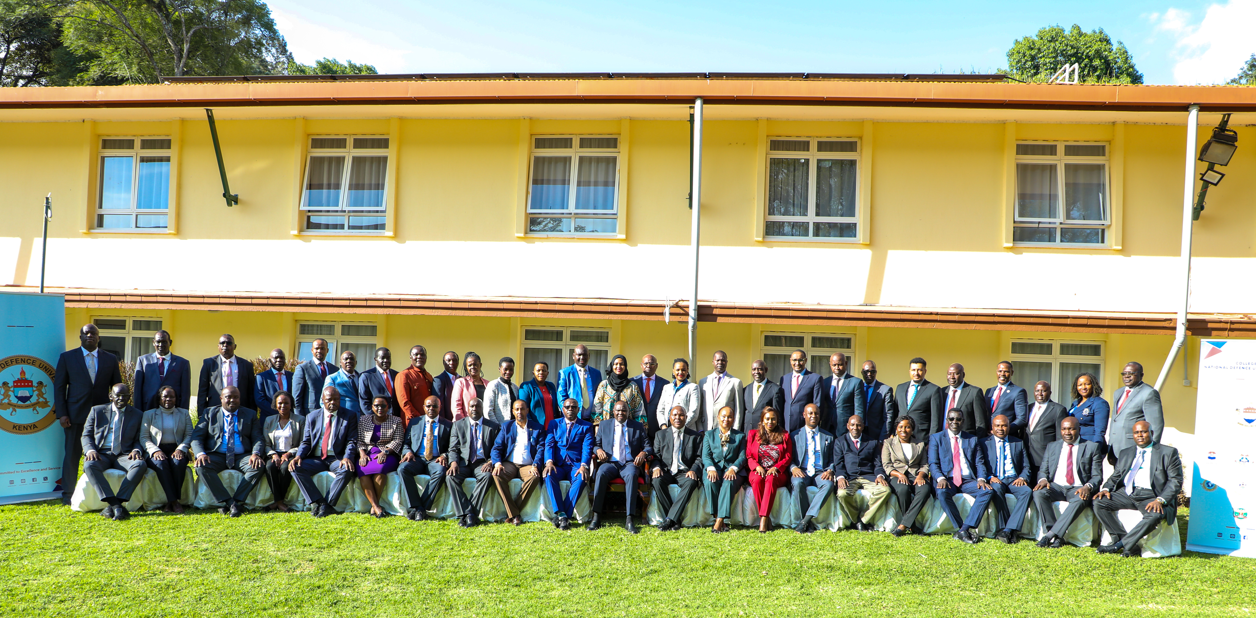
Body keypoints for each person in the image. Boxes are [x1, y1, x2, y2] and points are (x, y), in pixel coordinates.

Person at [54, 324, 122, 504]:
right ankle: (68, 494)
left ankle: (94, 494)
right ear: (80, 337)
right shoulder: (67, 357)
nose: (90, 335)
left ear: (99, 338)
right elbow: (60, 387)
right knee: (72, 455)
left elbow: (116, 388)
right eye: (86, 333)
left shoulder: (110, 359)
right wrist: (62, 413)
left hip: (103, 417)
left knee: (97, 455)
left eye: (94, 333)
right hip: (74, 415)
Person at [1095, 420, 1183, 558]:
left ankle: (1119, 545)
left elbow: (1175, 481)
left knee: (1154, 515)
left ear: (1152, 433)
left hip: (1152, 496)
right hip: (1128, 493)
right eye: (1136, 432)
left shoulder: (1168, 452)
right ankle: (1130, 544)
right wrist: (1106, 488)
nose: (1140, 435)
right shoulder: (1126, 452)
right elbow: (1116, 475)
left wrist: (1160, 500)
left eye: (1143, 432)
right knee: (1099, 502)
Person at [190, 385, 265, 517]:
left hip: (242, 456)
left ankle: (235, 502)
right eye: (228, 397)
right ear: (221, 398)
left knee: (257, 466)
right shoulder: (209, 413)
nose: (232, 400)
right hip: (216, 455)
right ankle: (230, 502)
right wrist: (201, 453)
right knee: (202, 466)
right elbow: (196, 437)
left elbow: (258, 437)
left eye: (236, 397)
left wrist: (256, 453)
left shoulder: (250, 414)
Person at [1033, 416, 1104, 549]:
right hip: (1056, 487)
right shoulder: (1052, 446)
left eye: (1071, 429)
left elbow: (1097, 476)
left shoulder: (1091, 447)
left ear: (1079, 429)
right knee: (1039, 493)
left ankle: (1049, 536)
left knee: (1081, 499)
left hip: (1077, 488)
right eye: (1064, 429)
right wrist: (1043, 479)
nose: (1067, 432)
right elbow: (1043, 470)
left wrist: (1087, 487)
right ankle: (1056, 535)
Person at [80, 383, 146, 520]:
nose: (121, 398)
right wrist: (90, 450)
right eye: (118, 395)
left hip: (124, 455)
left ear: (129, 397)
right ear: (111, 396)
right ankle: (116, 506)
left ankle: (115, 505)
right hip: (101, 454)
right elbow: (86, 435)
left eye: (125, 396)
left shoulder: (138, 415)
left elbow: (140, 438)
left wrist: (136, 449)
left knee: (140, 465)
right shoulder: (97, 411)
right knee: (89, 465)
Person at [927, 408, 993, 544]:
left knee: (987, 491)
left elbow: (979, 462)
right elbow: (933, 463)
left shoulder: (972, 439)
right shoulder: (936, 438)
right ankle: (960, 527)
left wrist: (981, 479)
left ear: (962, 421)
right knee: (942, 492)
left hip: (967, 479)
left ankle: (965, 528)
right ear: (947, 421)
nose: (954, 422)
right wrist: (940, 478)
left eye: (958, 419)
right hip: (947, 479)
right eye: (951, 419)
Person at [290, 387, 358, 518]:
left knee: (347, 469)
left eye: (336, 399)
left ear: (340, 400)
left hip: (336, 458)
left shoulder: (349, 416)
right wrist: (298, 456)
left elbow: (352, 440)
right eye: (329, 400)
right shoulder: (312, 416)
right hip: (316, 458)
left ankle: (327, 505)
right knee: (295, 467)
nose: (333, 402)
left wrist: (347, 457)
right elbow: (306, 441)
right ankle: (318, 502)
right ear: (323, 400)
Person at [588, 401, 651, 533]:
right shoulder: (604, 425)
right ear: (613, 412)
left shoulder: (637, 426)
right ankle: (596, 517)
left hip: (629, 463)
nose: (620, 413)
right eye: (618, 410)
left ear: (628, 413)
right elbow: (595, 444)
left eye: (623, 410)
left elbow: (648, 446)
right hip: (609, 463)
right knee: (600, 473)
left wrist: (643, 453)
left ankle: (629, 519)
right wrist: (598, 450)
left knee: (632, 475)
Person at [491, 400, 547, 525]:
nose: (519, 412)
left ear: (527, 410)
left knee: (534, 476)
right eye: (516, 409)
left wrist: (535, 465)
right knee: (496, 474)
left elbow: (541, 449)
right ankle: (515, 514)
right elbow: (496, 448)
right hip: (509, 463)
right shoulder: (507, 427)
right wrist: (498, 463)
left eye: (522, 409)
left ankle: (512, 512)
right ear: (513, 412)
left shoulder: (537, 428)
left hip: (527, 465)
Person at [446, 398, 500, 527]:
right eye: (472, 406)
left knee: (487, 476)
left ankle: (468, 515)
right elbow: (453, 448)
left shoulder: (493, 426)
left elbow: (497, 448)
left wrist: (491, 461)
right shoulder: (458, 425)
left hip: (482, 463)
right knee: (450, 477)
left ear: (482, 409)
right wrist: (453, 462)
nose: (474, 409)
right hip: (463, 463)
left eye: (477, 406)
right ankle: (469, 514)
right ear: (467, 409)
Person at [543, 398, 595, 530]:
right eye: (567, 407)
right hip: (558, 465)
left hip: (576, 466)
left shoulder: (586, 426)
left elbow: (587, 448)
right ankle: (563, 514)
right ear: (562, 409)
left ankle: (561, 515)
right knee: (548, 475)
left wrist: (584, 466)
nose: (570, 409)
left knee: (581, 478)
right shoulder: (554, 424)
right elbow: (549, 444)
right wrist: (549, 462)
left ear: (578, 409)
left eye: (573, 407)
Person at [981, 414, 1033, 544]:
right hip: (996, 478)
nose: (1001, 428)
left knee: (1027, 491)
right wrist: (990, 477)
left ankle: (1008, 530)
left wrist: (1022, 477)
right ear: (992, 427)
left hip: (1014, 478)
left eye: (1004, 425)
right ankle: (1006, 529)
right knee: (996, 489)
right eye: (997, 425)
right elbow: (980, 464)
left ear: (1009, 427)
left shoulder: (1018, 442)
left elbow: (1027, 466)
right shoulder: (984, 443)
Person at [140, 385, 193, 513]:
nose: (168, 399)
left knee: (178, 463)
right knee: (161, 464)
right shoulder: (149, 414)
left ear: (176, 399)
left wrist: (181, 449)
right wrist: (155, 451)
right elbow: (144, 437)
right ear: (159, 399)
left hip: (177, 448)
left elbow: (189, 435)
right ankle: (174, 501)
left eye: (172, 397)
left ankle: (170, 502)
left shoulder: (184, 413)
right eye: (165, 396)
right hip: (157, 449)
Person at [834, 415, 891, 532]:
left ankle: (864, 519)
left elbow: (877, 464)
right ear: (848, 426)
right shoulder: (840, 442)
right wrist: (840, 477)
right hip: (850, 478)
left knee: (886, 491)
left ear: (863, 426)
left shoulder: (872, 442)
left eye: (859, 425)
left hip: (869, 477)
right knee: (842, 494)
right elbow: (838, 464)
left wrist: (880, 475)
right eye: (853, 425)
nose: (855, 427)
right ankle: (856, 519)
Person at [398, 396, 451, 521]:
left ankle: (419, 508)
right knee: (402, 469)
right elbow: (406, 443)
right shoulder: (414, 422)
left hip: (436, 459)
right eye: (428, 406)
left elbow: (453, 446)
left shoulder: (448, 425)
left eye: (434, 406)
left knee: (441, 471)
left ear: (440, 407)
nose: (431, 408)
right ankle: (419, 507)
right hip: (417, 458)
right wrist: (408, 452)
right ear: (423, 407)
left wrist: (445, 455)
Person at [652, 405, 702, 531]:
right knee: (657, 481)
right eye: (674, 415)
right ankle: (675, 520)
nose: (677, 418)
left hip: (685, 472)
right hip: (666, 471)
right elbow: (655, 456)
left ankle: (669, 520)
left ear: (686, 417)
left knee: (691, 482)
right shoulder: (660, 435)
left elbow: (699, 457)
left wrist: (693, 469)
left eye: (681, 415)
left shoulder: (695, 436)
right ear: (669, 417)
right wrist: (657, 467)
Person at [788, 404, 836, 534]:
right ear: (804, 415)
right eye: (810, 413)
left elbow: (833, 458)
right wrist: (793, 468)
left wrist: (830, 469)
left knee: (829, 484)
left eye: (816, 413)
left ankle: (804, 521)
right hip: (801, 470)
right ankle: (806, 522)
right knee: (798, 483)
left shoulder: (828, 437)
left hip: (821, 472)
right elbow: (788, 457)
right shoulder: (794, 435)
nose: (813, 416)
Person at [1107, 363, 1165, 466]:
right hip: (1115, 448)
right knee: (1118, 481)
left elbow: (1156, 425)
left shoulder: (1149, 393)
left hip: (1134, 448)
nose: (1126, 376)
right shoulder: (1118, 392)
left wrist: (1152, 450)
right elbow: (1115, 420)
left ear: (1141, 375)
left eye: (1131, 373)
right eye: (1124, 373)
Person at [882, 417, 931, 537]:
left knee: (925, 489)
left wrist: (920, 476)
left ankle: (903, 525)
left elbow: (924, 464)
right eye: (901, 427)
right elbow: (886, 465)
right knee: (903, 489)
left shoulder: (919, 444)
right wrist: (899, 474)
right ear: (896, 429)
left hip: (915, 475)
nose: (904, 430)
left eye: (907, 427)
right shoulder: (888, 443)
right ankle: (912, 526)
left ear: (912, 430)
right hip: (897, 475)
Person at [747, 407, 793, 533]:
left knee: (771, 478)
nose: (770, 421)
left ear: (777, 420)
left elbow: (788, 457)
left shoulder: (785, 435)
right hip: (758, 469)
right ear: (762, 420)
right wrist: (757, 466)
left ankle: (763, 519)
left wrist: (776, 467)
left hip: (777, 473)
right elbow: (749, 455)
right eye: (767, 419)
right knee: (756, 480)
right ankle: (767, 520)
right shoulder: (753, 434)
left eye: (773, 419)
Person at [357, 396, 404, 518]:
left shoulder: (396, 420)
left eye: (383, 405)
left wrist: (386, 452)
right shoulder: (364, 420)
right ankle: (376, 506)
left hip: (389, 453)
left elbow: (398, 440)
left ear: (388, 407)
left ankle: (374, 506)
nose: (380, 408)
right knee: (362, 469)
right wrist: (362, 454)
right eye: (376, 405)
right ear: (372, 407)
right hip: (368, 453)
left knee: (381, 469)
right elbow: (359, 440)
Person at [702, 406, 747, 533]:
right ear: (718, 417)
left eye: (729, 416)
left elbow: (743, 456)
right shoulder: (709, 435)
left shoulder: (740, 436)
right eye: (723, 416)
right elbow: (706, 455)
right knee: (710, 481)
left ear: (733, 419)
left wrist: (733, 468)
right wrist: (710, 468)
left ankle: (719, 521)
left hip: (732, 470)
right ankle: (718, 518)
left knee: (728, 482)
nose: (726, 419)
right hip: (714, 468)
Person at [262, 391, 303, 513]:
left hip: (291, 454)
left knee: (286, 468)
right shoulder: (269, 420)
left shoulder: (300, 420)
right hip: (273, 453)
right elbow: (265, 442)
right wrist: (273, 454)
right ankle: (279, 502)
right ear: (275, 405)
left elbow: (302, 443)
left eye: (286, 403)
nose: (283, 406)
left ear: (291, 405)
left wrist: (288, 454)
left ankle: (277, 502)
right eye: (280, 403)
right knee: (270, 467)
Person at [132, 329, 191, 411]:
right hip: (148, 407)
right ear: (153, 342)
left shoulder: (182, 363)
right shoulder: (143, 361)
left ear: (170, 342)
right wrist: (137, 412)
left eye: (164, 342)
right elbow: (137, 390)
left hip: (173, 409)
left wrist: (183, 413)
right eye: (158, 342)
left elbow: (185, 392)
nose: (161, 345)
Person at [197, 333, 255, 411]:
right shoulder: (209, 363)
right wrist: (202, 414)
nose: (225, 345)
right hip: (215, 408)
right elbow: (202, 391)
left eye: (229, 343)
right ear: (218, 346)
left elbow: (251, 392)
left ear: (235, 346)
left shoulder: (246, 365)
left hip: (241, 408)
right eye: (222, 343)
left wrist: (252, 413)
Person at [1024, 381, 1068, 477]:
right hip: (1026, 457)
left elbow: (1060, 438)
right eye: (1037, 391)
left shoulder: (1058, 409)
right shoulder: (1028, 408)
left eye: (1043, 391)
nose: (1040, 394)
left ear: (1050, 392)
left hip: (1043, 458)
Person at [894, 357, 943, 439]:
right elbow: (895, 412)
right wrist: (893, 432)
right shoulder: (900, 388)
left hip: (921, 437)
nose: (916, 373)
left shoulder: (934, 390)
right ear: (909, 371)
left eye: (919, 370)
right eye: (913, 370)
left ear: (925, 371)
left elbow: (936, 419)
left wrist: (932, 440)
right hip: (900, 437)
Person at [699, 351, 743, 434]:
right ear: (713, 362)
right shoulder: (703, 381)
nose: (720, 362)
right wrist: (700, 429)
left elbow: (739, 409)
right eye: (717, 360)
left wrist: (735, 431)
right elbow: (700, 408)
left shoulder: (735, 382)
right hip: (707, 428)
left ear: (726, 362)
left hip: (726, 429)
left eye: (723, 360)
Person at [820, 353, 864, 435]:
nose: (837, 368)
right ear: (830, 365)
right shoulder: (825, 382)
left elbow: (859, 408)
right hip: (826, 427)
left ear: (846, 363)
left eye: (840, 364)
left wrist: (856, 428)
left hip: (846, 429)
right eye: (834, 365)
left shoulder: (855, 382)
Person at [593, 354, 645, 425]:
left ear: (625, 366)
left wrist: (641, 427)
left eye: (621, 364)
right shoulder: (604, 385)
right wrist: (597, 426)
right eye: (616, 364)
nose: (618, 366)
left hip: (628, 428)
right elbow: (597, 407)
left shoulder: (632, 386)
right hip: (607, 428)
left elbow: (639, 409)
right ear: (612, 366)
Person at [942, 363, 990, 438]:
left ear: (963, 375)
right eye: (949, 374)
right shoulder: (942, 392)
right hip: (944, 438)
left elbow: (981, 422)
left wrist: (978, 441)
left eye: (956, 374)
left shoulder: (974, 392)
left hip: (966, 439)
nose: (952, 377)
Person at [780, 350, 822, 433]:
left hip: (804, 426)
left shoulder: (815, 378)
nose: (797, 363)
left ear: (805, 360)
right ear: (790, 360)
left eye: (800, 360)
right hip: (785, 426)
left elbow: (817, 404)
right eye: (794, 360)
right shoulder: (784, 378)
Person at [557, 345, 602, 421]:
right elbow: (561, 397)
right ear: (573, 356)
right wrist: (569, 414)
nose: (582, 357)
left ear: (589, 356)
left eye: (584, 355)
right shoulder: (564, 373)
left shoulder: (596, 373)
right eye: (579, 355)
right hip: (573, 419)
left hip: (593, 419)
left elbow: (599, 395)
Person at [655, 358, 701, 433]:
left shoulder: (693, 387)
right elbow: (660, 410)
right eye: (677, 370)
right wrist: (664, 426)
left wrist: (680, 427)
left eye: (683, 370)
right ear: (673, 371)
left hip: (686, 430)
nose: (680, 372)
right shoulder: (667, 387)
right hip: (667, 430)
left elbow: (694, 412)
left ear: (687, 371)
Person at [1069, 372, 1110, 456]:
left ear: (1093, 385)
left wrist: (1095, 449)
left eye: (1087, 384)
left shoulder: (1100, 403)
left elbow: (1100, 432)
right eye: (1080, 385)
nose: (1083, 387)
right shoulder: (1075, 403)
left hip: (1090, 445)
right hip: (1076, 444)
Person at [292, 338, 335, 417]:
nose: (319, 351)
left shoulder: (334, 369)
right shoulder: (302, 368)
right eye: (316, 348)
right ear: (312, 350)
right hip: (310, 415)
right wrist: (300, 418)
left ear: (327, 350)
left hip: (331, 414)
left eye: (322, 348)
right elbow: (296, 397)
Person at [396, 345, 435, 427]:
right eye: (416, 354)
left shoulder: (429, 376)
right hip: (413, 423)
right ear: (411, 357)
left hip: (429, 421)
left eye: (422, 355)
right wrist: (420, 418)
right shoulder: (404, 375)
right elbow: (404, 402)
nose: (419, 357)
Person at [633, 355, 668, 443]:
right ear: (641, 365)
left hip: (657, 428)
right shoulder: (633, 382)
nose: (648, 366)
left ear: (656, 366)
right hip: (637, 428)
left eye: (652, 364)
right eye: (646, 363)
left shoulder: (665, 383)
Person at [742, 360, 784, 433]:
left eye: (760, 369)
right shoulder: (746, 389)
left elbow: (777, 415)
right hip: (747, 433)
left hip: (765, 433)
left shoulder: (775, 389)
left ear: (766, 370)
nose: (756, 372)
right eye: (754, 369)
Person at [859, 361, 896, 441]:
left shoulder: (885, 390)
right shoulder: (857, 387)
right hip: (859, 433)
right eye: (866, 372)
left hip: (876, 434)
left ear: (876, 372)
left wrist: (882, 439)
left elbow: (888, 417)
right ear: (862, 372)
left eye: (872, 372)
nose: (869, 374)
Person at [986, 361, 1028, 431]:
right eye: (1000, 371)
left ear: (1012, 373)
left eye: (1006, 371)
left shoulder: (1018, 391)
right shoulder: (989, 391)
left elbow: (1022, 419)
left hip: (1007, 435)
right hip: (988, 436)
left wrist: (1003, 430)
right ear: (996, 372)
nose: (1002, 374)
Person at [357, 347, 399, 415]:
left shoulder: (397, 375)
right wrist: (375, 419)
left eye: (388, 358)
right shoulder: (367, 376)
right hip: (376, 419)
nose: (386, 360)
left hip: (395, 419)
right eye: (383, 358)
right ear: (375, 359)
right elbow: (364, 402)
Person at [254, 348, 293, 420]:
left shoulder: (292, 376)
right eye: (276, 358)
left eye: (282, 358)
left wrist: (288, 413)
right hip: (269, 418)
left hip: (290, 419)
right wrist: (280, 412)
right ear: (270, 361)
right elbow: (260, 400)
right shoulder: (262, 377)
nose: (279, 360)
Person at [451, 352, 490, 422]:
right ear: (466, 367)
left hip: (484, 424)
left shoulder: (488, 384)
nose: (472, 367)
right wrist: (463, 423)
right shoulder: (460, 382)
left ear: (480, 365)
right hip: (466, 423)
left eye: (475, 364)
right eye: (470, 365)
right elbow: (456, 406)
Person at [519, 362, 559, 428]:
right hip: (536, 427)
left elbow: (555, 407)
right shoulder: (526, 386)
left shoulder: (551, 386)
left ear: (547, 373)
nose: (541, 372)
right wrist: (531, 426)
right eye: (538, 370)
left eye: (544, 370)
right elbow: (523, 409)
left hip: (552, 427)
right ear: (533, 372)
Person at [484, 357, 521, 425]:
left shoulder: (515, 388)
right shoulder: (493, 385)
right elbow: (488, 410)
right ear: (499, 369)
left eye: (511, 370)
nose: (508, 372)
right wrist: (498, 427)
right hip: (498, 429)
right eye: (505, 369)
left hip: (513, 428)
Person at [325, 350, 362, 415]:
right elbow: (325, 401)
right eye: (346, 359)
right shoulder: (332, 378)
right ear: (340, 362)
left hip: (361, 418)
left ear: (356, 362)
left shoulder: (361, 378)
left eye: (351, 359)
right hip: (343, 418)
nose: (349, 361)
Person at [432, 351, 461, 421]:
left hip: (460, 421)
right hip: (447, 421)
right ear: (444, 363)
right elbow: (439, 404)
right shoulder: (439, 380)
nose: (452, 363)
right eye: (449, 361)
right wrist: (444, 422)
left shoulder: (462, 379)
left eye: (454, 360)